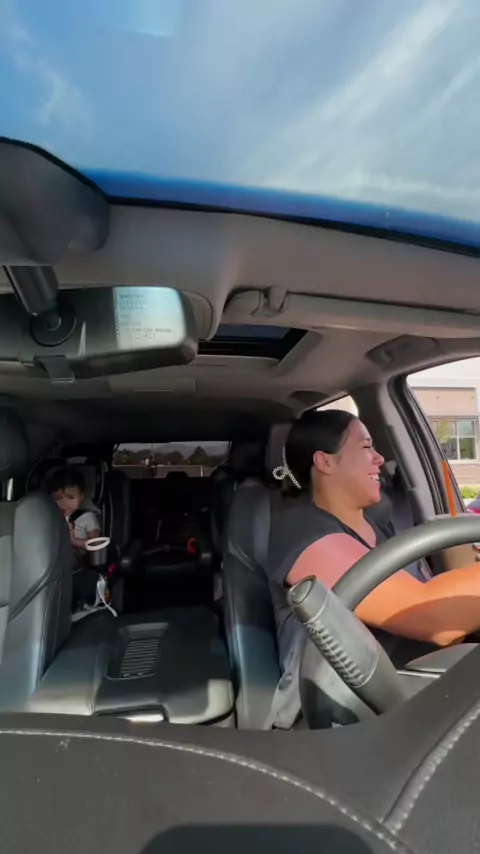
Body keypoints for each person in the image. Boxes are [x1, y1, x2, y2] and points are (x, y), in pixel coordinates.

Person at [268, 409, 480, 672]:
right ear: (325, 462)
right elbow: (433, 618)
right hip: (359, 693)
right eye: (367, 447)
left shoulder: (377, 525)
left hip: (415, 673)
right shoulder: (304, 533)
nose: (379, 459)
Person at [47, 466, 101, 549]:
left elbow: (96, 544)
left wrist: (73, 540)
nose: (64, 503)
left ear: (81, 497)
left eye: (71, 497)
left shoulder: (87, 517)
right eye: (58, 498)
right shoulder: (49, 517)